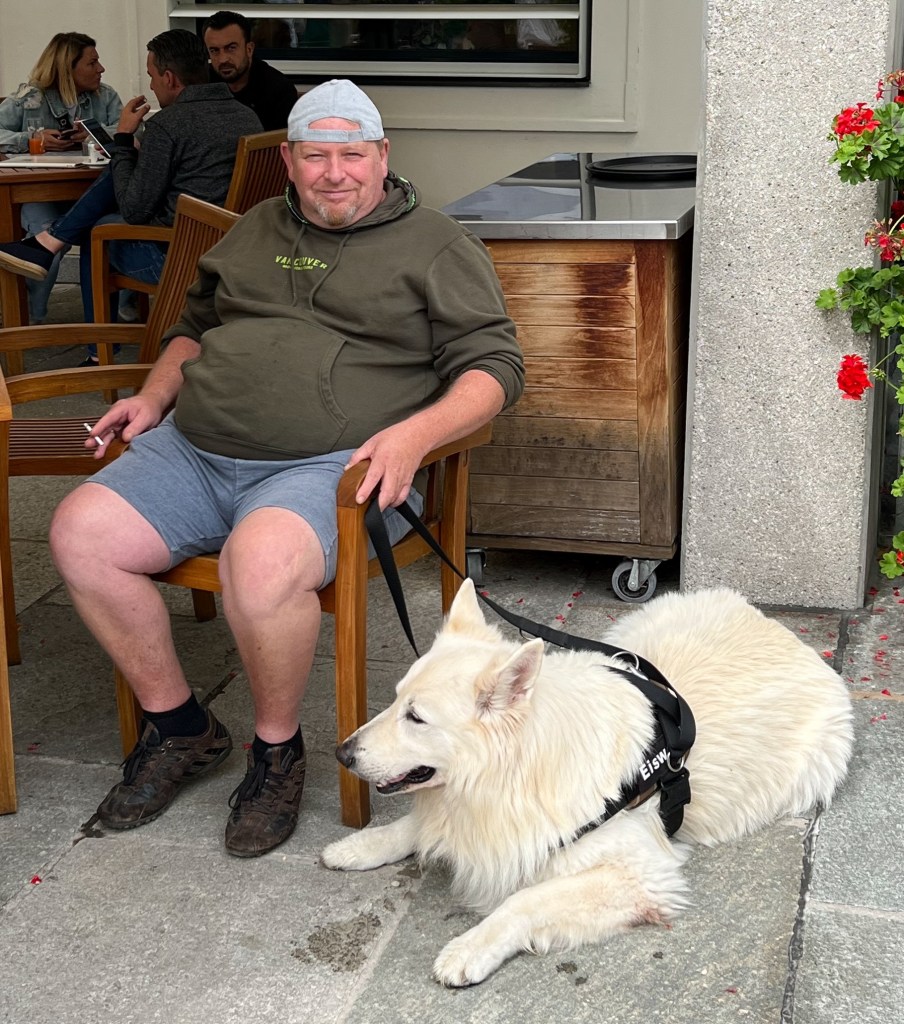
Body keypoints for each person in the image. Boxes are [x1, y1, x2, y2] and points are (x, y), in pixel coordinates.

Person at [48, 79, 524, 858]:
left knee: (262, 566)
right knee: (81, 533)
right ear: (290, 163)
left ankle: (276, 752)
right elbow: (193, 328)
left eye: (351, 155)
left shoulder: (438, 245)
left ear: (382, 157)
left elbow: (495, 368)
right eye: (315, 157)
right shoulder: (253, 230)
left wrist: (414, 437)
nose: (334, 173)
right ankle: (181, 727)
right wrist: (154, 396)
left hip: (332, 465)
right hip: (196, 450)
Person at [0, 29, 262, 363]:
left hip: (179, 260)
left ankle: (100, 352)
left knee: (98, 233)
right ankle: (50, 242)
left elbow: (135, 209)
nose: (151, 86)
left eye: (151, 76)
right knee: (108, 210)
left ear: (169, 78)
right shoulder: (247, 117)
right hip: (233, 252)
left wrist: (123, 140)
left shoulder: (168, 124)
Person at [0, 33, 122, 325]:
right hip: (38, 191)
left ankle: (123, 309)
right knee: (47, 237)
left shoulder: (106, 96)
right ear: (68, 68)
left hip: (92, 192)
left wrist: (93, 134)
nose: (101, 68)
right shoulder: (29, 98)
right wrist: (33, 138)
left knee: (118, 229)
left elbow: (129, 131)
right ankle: (31, 319)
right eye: (92, 63)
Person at [204, 10, 298, 131]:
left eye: (231, 48)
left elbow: (279, 140)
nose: (223, 59)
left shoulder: (278, 90)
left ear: (249, 49)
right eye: (214, 50)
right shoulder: (202, 83)